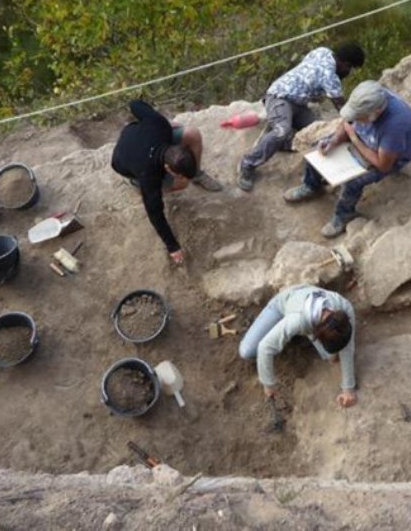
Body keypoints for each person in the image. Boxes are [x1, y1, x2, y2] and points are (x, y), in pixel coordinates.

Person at [283, 80, 411, 238]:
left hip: (386, 156)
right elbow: (347, 121)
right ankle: (312, 185)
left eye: (359, 118)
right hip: (364, 140)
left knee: (354, 181)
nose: (356, 120)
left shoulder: (395, 124)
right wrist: (334, 141)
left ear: (376, 113)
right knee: (317, 149)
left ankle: (344, 214)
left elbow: (383, 165)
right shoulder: (366, 97)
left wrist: (354, 138)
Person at [237, 43, 366, 192]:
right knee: (281, 131)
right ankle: (248, 163)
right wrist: (358, 125)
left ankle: (275, 142)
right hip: (279, 97)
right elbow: (343, 109)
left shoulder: (323, 51)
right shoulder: (330, 76)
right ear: (345, 63)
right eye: (350, 68)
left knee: (318, 133)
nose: (348, 72)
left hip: (299, 104)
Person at [111, 99, 223, 264]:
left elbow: (134, 103)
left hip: (136, 136)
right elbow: (155, 214)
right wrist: (172, 246)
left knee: (192, 133)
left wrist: (162, 120)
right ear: (168, 169)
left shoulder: (161, 125)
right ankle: (136, 183)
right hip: (124, 163)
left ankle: (197, 174)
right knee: (182, 185)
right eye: (180, 174)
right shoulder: (150, 177)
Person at [238, 284, 357, 408]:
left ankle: (319, 345)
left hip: (306, 303)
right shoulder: (297, 321)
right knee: (247, 351)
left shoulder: (344, 307)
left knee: (331, 357)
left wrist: (348, 389)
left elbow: (348, 348)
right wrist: (268, 384)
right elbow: (265, 347)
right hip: (282, 304)